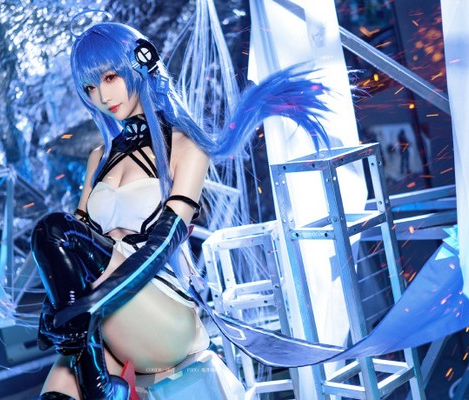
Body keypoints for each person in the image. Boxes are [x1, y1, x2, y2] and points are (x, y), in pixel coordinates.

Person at [31, 20, 330, 400]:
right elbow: (75, 255)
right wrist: (59, 309)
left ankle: (100, 387)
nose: (103, 96)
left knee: (51, 230)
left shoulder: (186, 146)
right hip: (104, 324)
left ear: (140, 64)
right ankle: (98, 383)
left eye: (109, 77)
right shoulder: (98, 158)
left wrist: (86, 304)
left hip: (161, 310)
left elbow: (162, 244)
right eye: (90, 87)